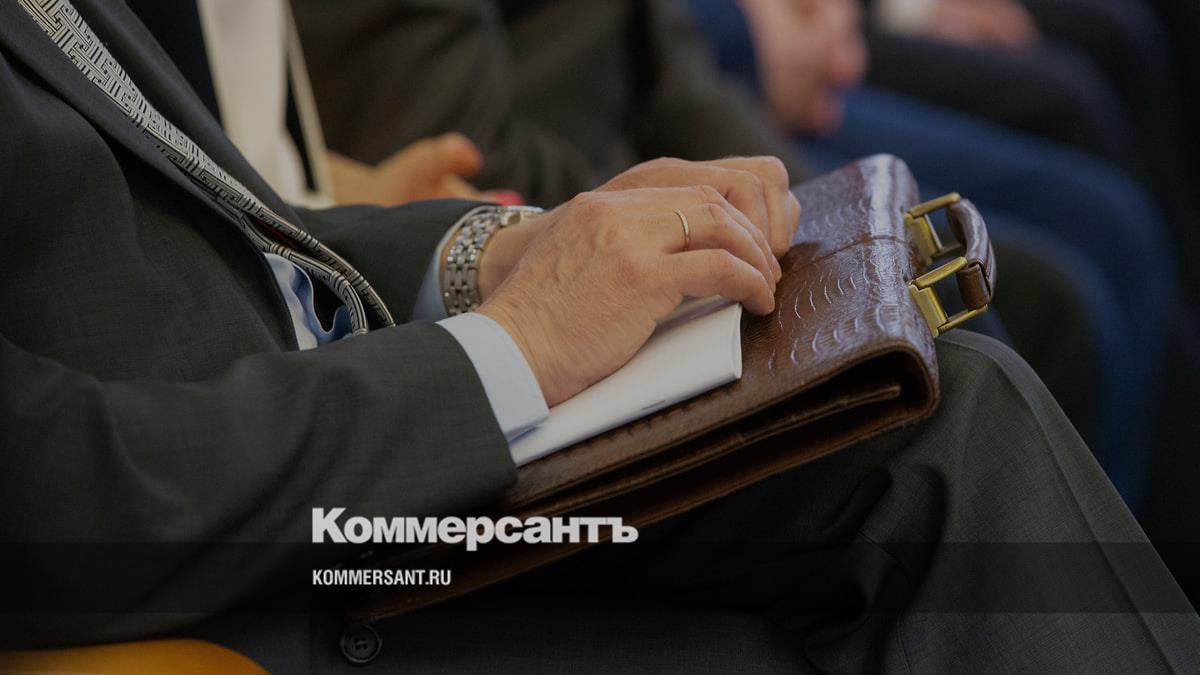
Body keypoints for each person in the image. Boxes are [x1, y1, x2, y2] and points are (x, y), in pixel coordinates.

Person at [3, 0, 1199, 671]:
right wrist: (510, 350)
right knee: (940, 422)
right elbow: (53, 492)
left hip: (334, 432)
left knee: (915, 386)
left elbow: (224, 225)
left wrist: (503, 253)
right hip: (306, 553)